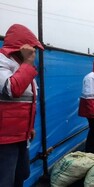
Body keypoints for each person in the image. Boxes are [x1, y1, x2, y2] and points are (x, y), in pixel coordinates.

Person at [0, 24, 44, 187]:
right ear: (21, 47)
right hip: (4, 138)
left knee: (21, 174)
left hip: (20, 134)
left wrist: (29, 128)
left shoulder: (21, 65)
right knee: (5, 180)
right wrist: (27, 62)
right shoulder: (3, 61)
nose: (33, 52)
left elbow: (27, 103)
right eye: (31, 48)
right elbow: (12, 89)